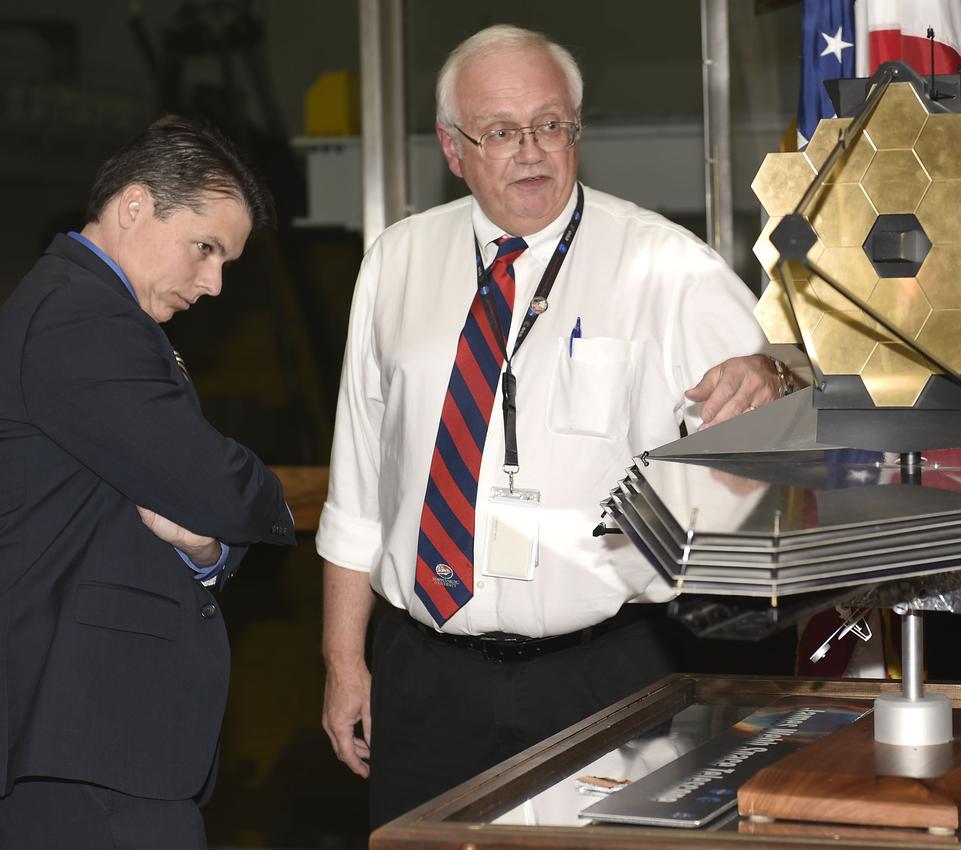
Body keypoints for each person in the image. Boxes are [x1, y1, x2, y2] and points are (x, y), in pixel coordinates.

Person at [317, 24, 790, 828]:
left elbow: (788, 397)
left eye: (550, 124)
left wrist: (773, 374)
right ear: (453, 147)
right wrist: (341, 661)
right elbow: (359, 486)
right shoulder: (396, 263)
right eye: (501, 132)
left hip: (606, 675)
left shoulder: (665, 265)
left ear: (577, 130)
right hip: (426, 681)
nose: (532, 151)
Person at [0, 116, 296, 849]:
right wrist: (270, 494)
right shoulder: (79, 315)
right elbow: (211, 482)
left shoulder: (87, 309)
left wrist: (206, 549)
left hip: (94, 737)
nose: (215, 283)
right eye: (205, 248)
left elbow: (171, 502)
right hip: (83, 738)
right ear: (135, 206)